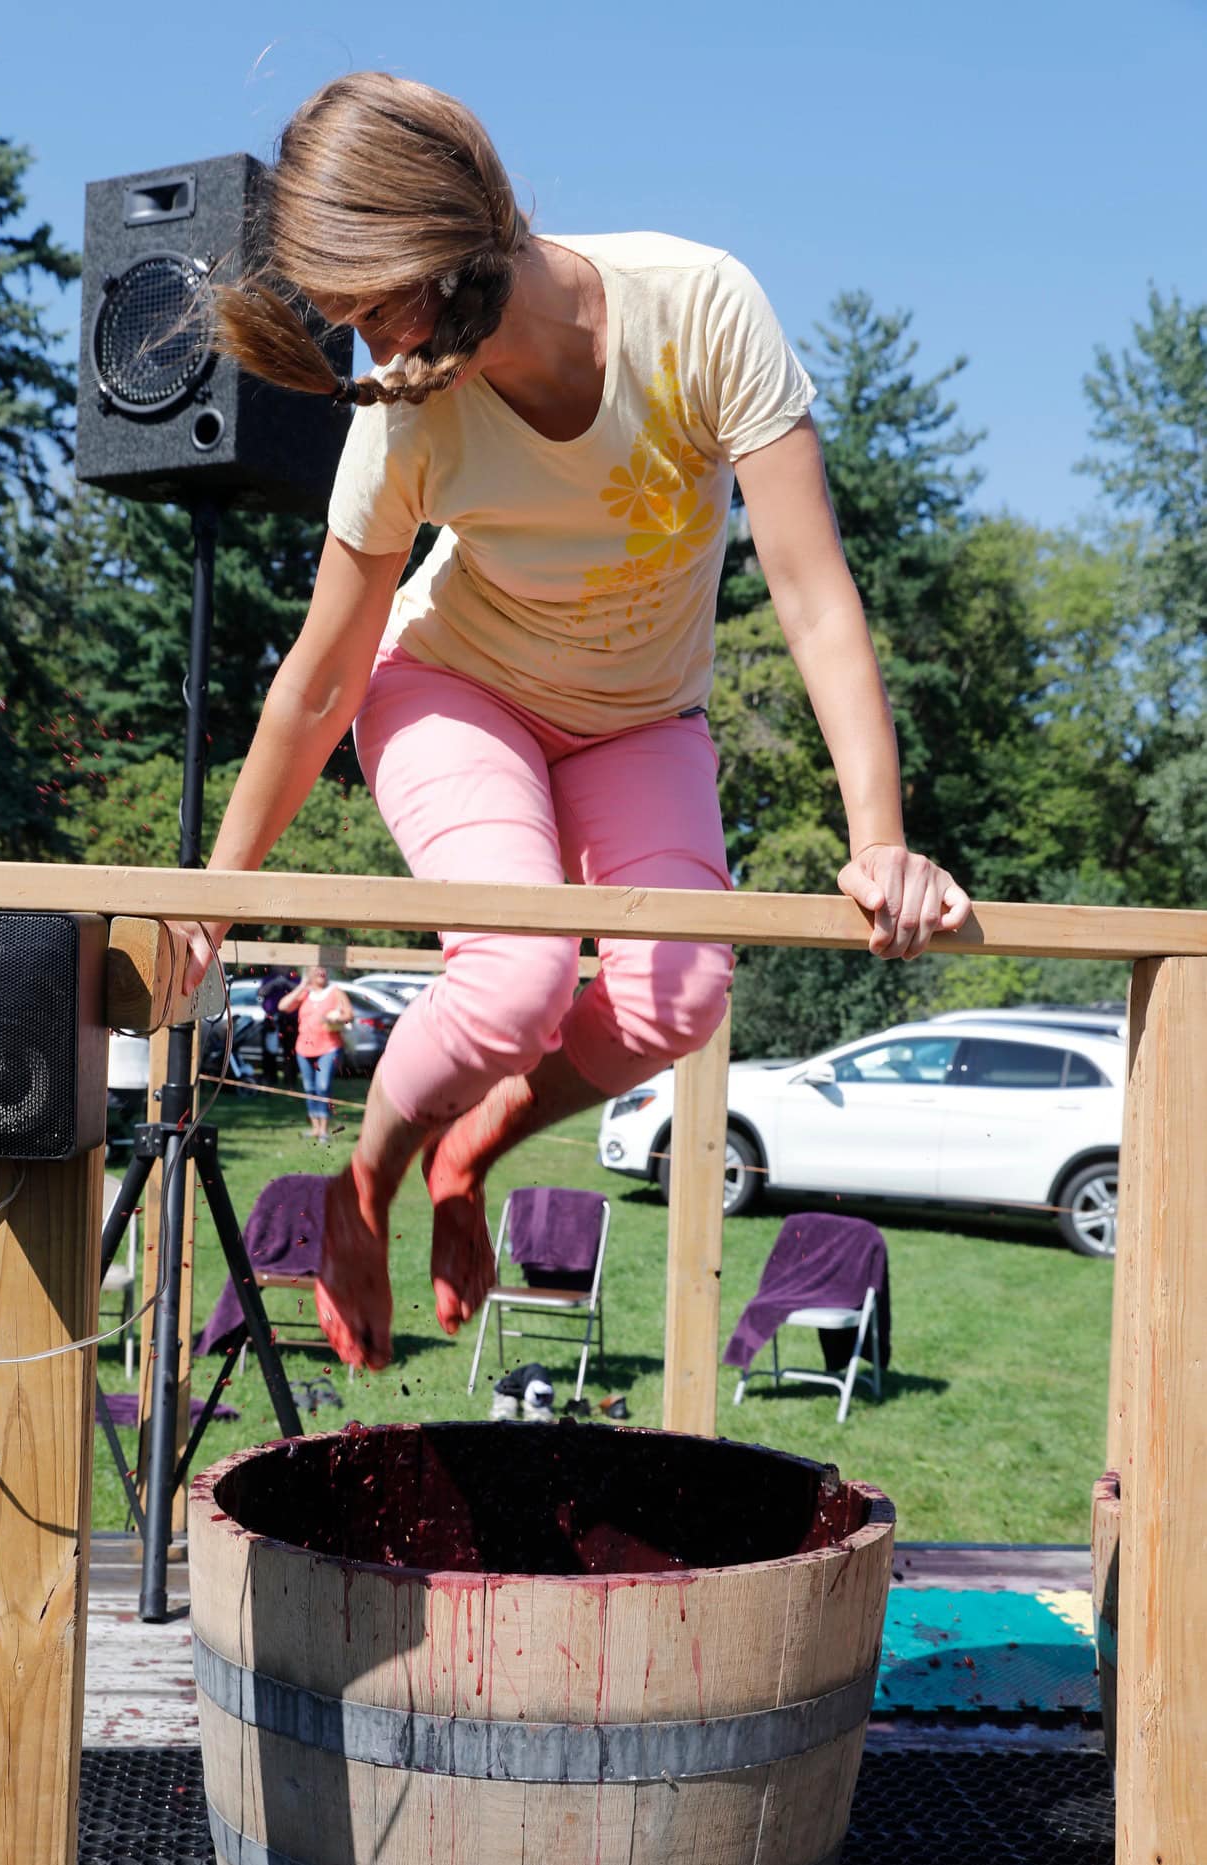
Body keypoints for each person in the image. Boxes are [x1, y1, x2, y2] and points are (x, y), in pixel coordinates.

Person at [177, 72, 972, 1370]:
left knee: (683, 996)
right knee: (518, 973)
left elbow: (813, 594)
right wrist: (214, 892)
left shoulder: (699, 309)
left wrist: (880, 840)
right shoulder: (407, 421)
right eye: (350, 327)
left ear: (450, 237)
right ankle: (364, 1183)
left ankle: (474, 1139)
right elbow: (321, 677)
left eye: (380, 311)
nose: (377, 356)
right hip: (458, 690)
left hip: (640, 719)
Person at [278, 966, 354, 1142]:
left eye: (323, 970)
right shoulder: (305, 994)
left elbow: (349, 1014)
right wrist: (302, 985)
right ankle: (315, 1128)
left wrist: (335, 1018)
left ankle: (324, 1130)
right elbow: (283, 1006)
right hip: (303, 1048)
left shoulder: (335, 992)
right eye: (316, 970)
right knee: (309, 1088)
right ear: (308, 974)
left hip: (329, 1046)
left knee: (322, 1086)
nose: (321, 972)